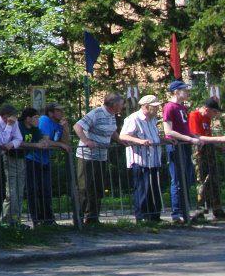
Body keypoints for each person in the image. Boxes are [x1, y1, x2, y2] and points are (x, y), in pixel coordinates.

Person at [73, 93, 125, 225]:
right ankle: (79, 218)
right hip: (87, 156)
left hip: (102, 156)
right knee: (85, 187)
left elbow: (111, 130)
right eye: (121, 104)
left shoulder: (112, 116)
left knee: (98, 187)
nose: (122, 106)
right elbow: (77, 126)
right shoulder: (96, 113)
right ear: (114, 105)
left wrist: (119, 140)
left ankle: (93, 218)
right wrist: (86, 141)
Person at [122, 94, 165, 223]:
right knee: (142, 189)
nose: (157, 109)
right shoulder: (134, 118)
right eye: (155, 107)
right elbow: (123, 136)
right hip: (140, 160)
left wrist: (165, 140)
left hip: (153, 160)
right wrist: (139, 141)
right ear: (146, 107)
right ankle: (141, 217)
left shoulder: (152, 120)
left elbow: (154, 136)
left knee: (154, 188)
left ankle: (154, 216)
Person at [24, 105, 70, 227]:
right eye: (58, 110)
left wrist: (65, 128)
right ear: (50, 113)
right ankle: (37, 220)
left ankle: (48, 219)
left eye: (62, 110)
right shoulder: (44, 120)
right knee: (34, 190)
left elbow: (65, 143)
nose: (61, 113)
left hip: (45, 160)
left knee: (46, 190)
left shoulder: (58, 124)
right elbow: (45, 141)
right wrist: (60, 144)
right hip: (33, 159)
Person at [162, 81, 200, 223]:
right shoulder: (169, 107)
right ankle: (176, 214)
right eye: (184, 90)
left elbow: (183, 128)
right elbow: (168, 131)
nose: (187, 92)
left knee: (187, 178)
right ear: (176, 92)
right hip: (175, 146)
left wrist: (193, 136)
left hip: (184, 145)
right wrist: (189, 139)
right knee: (177, 180)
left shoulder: (182, 108)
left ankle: (186, 212)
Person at [0, 105, 25, 226]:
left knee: (18, 189)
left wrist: (12, 144)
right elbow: (1, 141)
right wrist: (9, 126)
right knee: (9, 191)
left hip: (9, 153)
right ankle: (5, 219)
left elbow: (19, 138)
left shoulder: (13, 122)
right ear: (4, 115)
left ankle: (15, 219)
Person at [191, 98, 225, 220]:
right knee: (202, 180)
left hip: (209, 150)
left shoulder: (207, 118)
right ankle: (200, 209)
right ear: (207, 109)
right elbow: (198, 137)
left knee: (214, 178)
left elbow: (208, 137)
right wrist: (220, 139)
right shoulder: (194, 116)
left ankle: (217, 208)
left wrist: (219, 146)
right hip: (199, 152)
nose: (215, 115)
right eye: (214, 112)